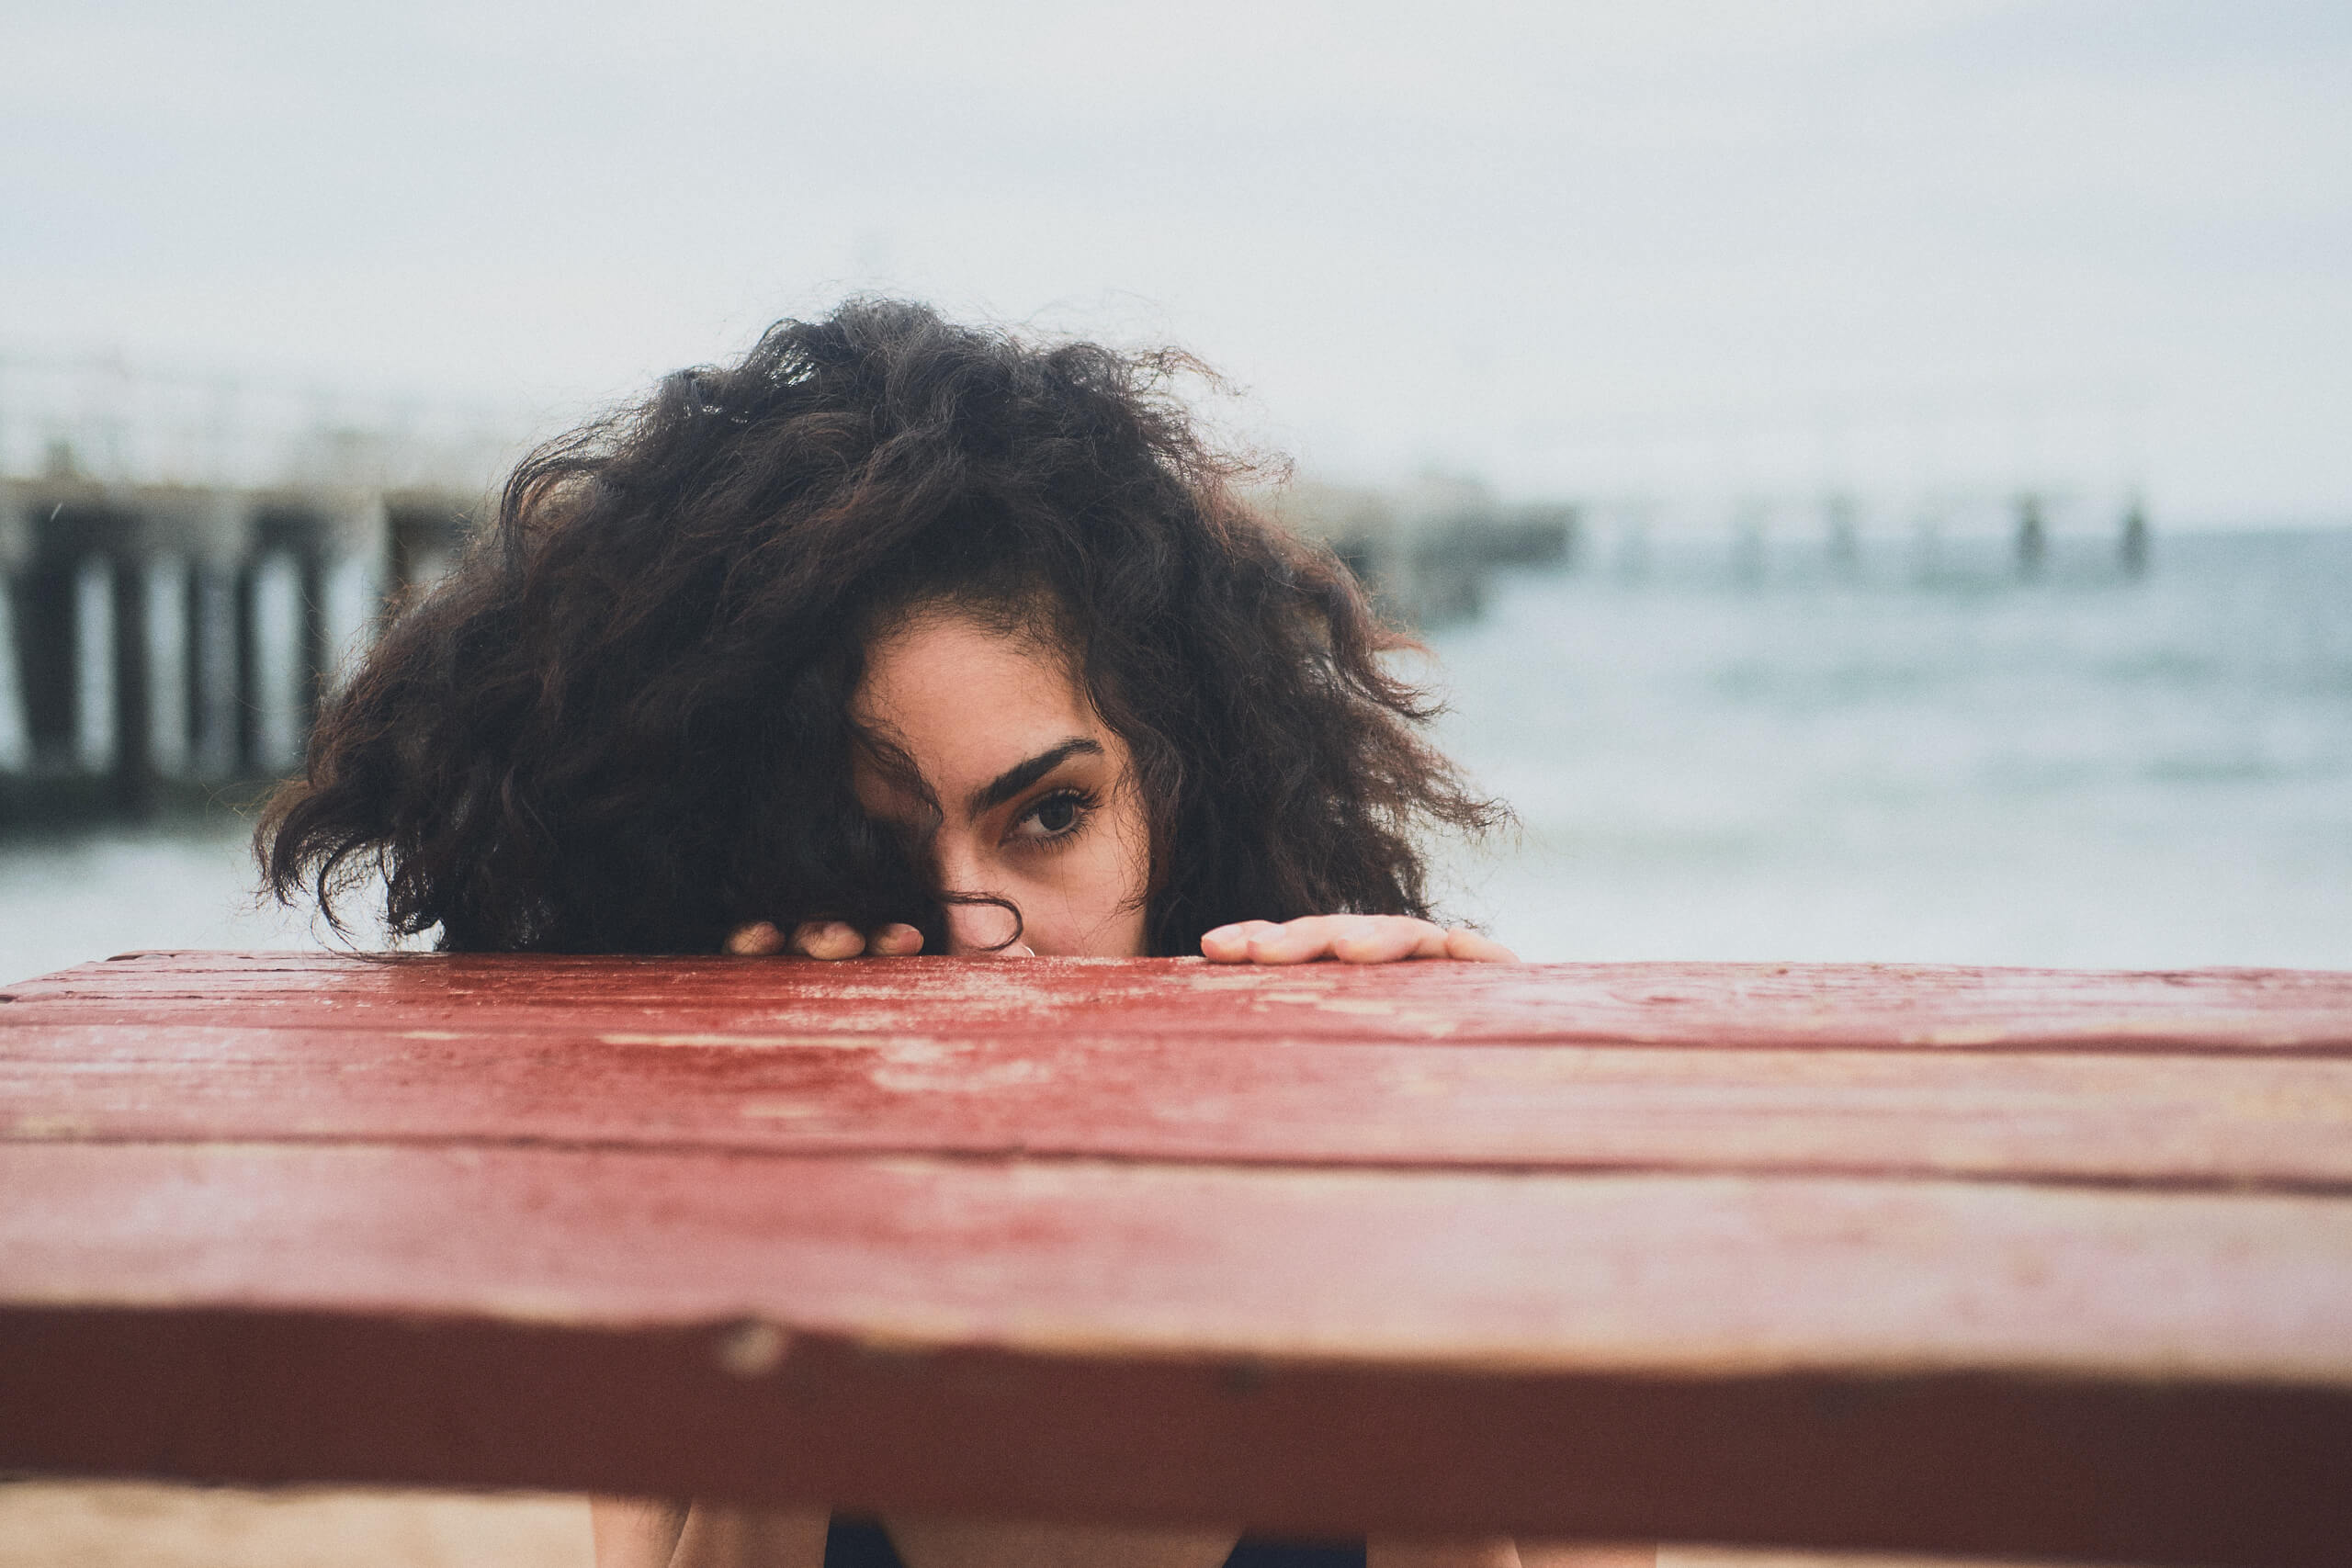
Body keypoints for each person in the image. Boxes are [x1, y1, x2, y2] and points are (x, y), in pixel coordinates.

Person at [258, 300, 1616, 1568]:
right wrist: (773, 1262)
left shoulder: (1355, 1220)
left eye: (1051, 815)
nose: (975, 927)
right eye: (880, 843)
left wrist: (1451, 1209)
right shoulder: (699, 1246)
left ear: (1177, 798)